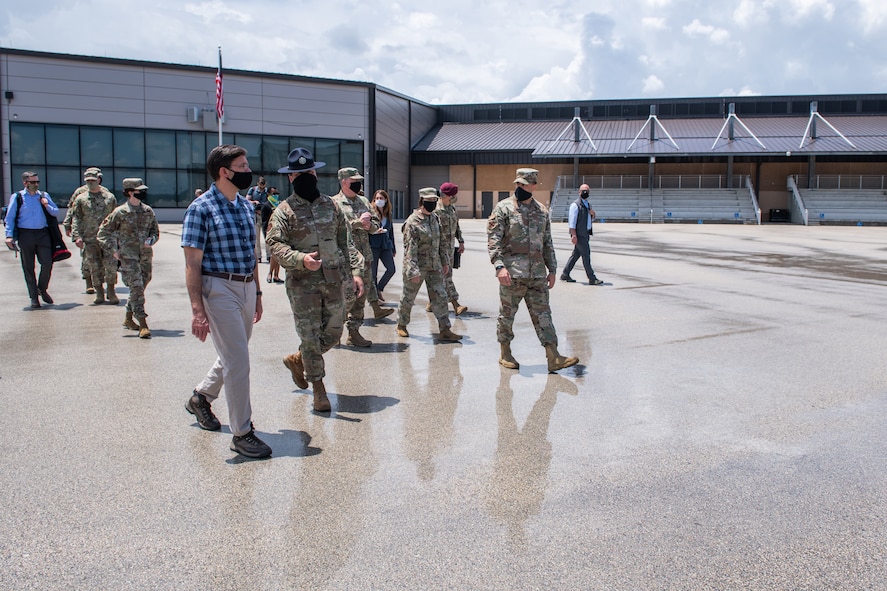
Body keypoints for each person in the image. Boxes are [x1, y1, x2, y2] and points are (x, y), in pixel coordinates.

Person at [181, 144, 271, 459]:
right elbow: (192, 264)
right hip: (217, 288)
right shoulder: (201, 208)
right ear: (225, 171)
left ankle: (200, 397)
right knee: (238, 361)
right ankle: (242, 433)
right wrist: (197, 310)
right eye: (243, 166)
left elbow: (253, 255)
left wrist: (257, 293)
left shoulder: (247, 207)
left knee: (235, 353)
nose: (249, 171)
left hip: (246, 287)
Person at [266, 148, 365, 412]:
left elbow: (346, 241)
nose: (307, 176)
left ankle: (299, 359)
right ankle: (318, 389)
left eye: (309, 172)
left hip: (335, 280)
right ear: (291, 177)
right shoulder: (284, 212)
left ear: (316, 173)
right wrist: (300, 259)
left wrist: (355, 272)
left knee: (333, 333)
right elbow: (274, 244)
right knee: (309, 335)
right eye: (300, 173)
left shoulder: (331, 206)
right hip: (303, 285)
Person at [487, 168, 578, 372]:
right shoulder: (503, 209)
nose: (520, 187)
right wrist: (499, 266)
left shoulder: (541, 211)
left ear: (534, 186)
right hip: (512, 275)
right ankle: (505, 352)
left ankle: (553, 356)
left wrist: (552, 269)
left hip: (537, 274)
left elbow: (547, 242)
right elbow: (494, 240)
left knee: (544, 315)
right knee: (507, 315)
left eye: (524, 184)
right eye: (518, 184)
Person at [332, 166, 393, 348]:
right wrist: (358, 223)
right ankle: (333, 332)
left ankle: (354, 333)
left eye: (358, 180)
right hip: (344, 259)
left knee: (360, 297)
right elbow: (332, 229)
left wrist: (369, 226)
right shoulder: (333, 203)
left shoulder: (364, 201)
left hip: (364, 257)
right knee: (344, 297)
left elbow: (376, 223)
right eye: (354, 181)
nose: (357, 184)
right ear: (343, 182)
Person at [395, 187, 463, 342]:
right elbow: (409, 250)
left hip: (434, 266)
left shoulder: (435, 219)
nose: (432, 203)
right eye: (429, 201)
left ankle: (445, 329)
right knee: (408, 297)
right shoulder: (413, 222)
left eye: (434, 200)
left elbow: (441, 243)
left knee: (440, 296)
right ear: (421, 201)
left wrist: (445, 262)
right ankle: (401, 324)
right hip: (417, 267)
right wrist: (413, 271)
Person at [97, 179, 159, 338]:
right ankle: (143, 324)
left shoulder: (148, 211)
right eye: (139, 190)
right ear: (130, 192)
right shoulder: (120, 213)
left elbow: (155, 232)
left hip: (145, 257)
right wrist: (113, 251)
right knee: (137, 287)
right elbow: (102, 233)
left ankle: (128, 318)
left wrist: (151, 240)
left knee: (140, 286)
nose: (143, 193)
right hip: (128, 257)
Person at [4, 171, 59, 309]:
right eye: (33, 182)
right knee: (28, 267)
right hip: (25, 234)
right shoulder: (18, 197)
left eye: (37, 182)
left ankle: (42, 288)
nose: (36, 185)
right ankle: (34, 297)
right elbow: (10, 217)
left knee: (47, 263)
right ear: (25, 183)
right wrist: (9, 235)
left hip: (43, 234)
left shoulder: (43, 195)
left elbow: (55, 212)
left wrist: (47, 205)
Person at [69, 168, 119, 305]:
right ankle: (99, 292)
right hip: (90, 238)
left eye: (93, 180)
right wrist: (76, 236)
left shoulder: (109, 197)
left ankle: (111, 290)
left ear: (99, 179)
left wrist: (120, 236)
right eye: (88, 181)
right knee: (94, 266)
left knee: (110, 265)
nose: (90, 183)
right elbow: (77, 218)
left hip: (108, 238)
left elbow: (116, 218)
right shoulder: (81, 199)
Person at [560, 183, 604, 285]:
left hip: (585, 233)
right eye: (583, 190)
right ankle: (592, 278)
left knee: (576, 255)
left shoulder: (588, 205)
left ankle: (565, 274)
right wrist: (573, 235)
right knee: (586, 255)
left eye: (587, 191)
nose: (585, 192)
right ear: (579, 192)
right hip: (579, 235)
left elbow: (588, 220)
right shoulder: (575, 205)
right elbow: (572, 222)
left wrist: (593, 215)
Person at [435, 182, 468, 315]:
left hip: (450, 249)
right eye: (452, 195)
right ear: (446, 195)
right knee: (446, 276)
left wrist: (461, 241)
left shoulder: (452, 209)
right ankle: (456, 304)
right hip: (438, 250)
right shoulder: (436, 210)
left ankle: (432, 302)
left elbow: (457, 226)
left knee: (444, 276)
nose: (454, 198)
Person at [369, 189, 396, 300]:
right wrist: (374, 231)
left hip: (386, 246)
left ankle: (379, 288)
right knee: (373, 273)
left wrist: (393, 248)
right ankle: (375, 296)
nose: (379, 200)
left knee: (391, 269)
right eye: (377, 198)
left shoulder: (388, 214)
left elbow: (391, 232)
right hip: (373, 246)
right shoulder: (370, 213)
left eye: (381, 198)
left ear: (386, 200)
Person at [246, 176, 269, 263]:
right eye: (260, 185)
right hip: (255, 214)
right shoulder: (252, 190)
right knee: (256, 237)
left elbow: (272, 200)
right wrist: (254, 202)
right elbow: (247, 200)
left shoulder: (267, 192)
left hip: (265, 216)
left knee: (267, 236)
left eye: (263, 185)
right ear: (257, 184)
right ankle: (258, 256)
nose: (261, 186)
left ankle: (269, 255)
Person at [265, 187, 283, 284]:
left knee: (278, 255)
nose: (275, 195)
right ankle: (270, 273)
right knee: (274, 254)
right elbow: (264, 222)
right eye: (273, 193)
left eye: (277, 193)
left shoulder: (280, 205)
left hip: (280, 233)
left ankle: (276, 275)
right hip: (270, 234)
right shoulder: (266, 205)